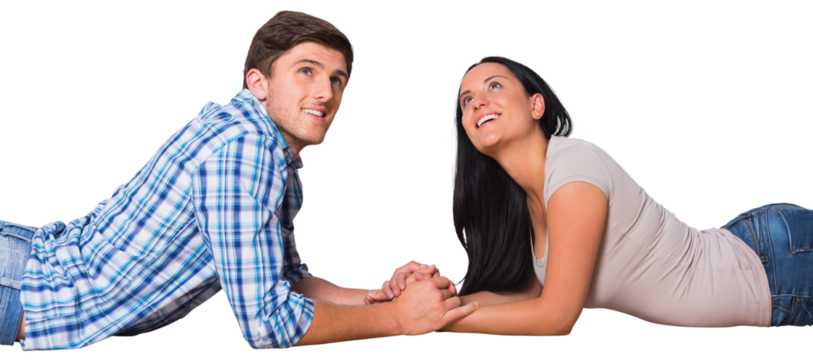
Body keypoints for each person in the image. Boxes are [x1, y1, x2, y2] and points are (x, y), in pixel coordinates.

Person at [0, 9, 478, 352]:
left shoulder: (274, 157)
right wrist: (396, 319)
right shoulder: (243, 152)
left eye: (337, 80)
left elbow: (287, 278)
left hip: (24, 263)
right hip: (18, 286)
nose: (325, 92)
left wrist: (379, 296)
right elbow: (268, 324)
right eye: (306, 71)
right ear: (259, 84)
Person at [424, 53, 812, 336]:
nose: (478, 101)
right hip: (762, 267)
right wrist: (435, 300)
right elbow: (527, 296)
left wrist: (436, 322)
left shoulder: (574, 166)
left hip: (776, 266)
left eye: (494, 85)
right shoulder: (528, 203)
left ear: (536, 104)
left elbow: (556, 317)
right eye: (467, 99)